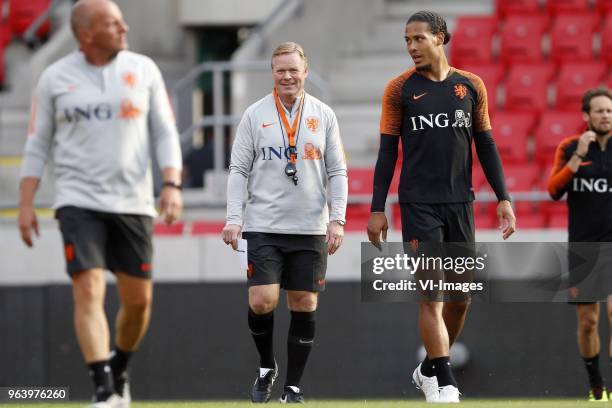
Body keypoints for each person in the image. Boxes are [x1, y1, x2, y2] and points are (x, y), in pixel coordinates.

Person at [17, 0, 183, 406]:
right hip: (78, 200)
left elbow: (164, 131)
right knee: (88, 289)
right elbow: (37, 142)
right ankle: (104, 389)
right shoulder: (54, 77)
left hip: (134, 202)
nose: (125, 27)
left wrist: (171, 183)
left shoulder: (144, 70)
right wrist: (26, 203)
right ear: (87, 33)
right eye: (113, 23)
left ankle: (120, 367)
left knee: (138, 302)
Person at [366, 11, 516, 403]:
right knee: (430, 292)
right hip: (418, 205)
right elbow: (386, 153)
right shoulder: (398, 89)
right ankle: (445, 381)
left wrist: (504, 197)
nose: (412, 47)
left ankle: (428, 367)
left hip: (460, 203)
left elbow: (485, 144)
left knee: (461, 296)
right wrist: (377, 207)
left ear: (440, 37)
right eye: (407, 40)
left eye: (419, 38)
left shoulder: (471, 86)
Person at [222, 41, 347, 404]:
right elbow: (238, 169)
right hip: (264, 225)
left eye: (294, 69)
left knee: (304, 302)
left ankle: (292, 388)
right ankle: (266, 366)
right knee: (262, 300)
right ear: (272, 73)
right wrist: (234, 218)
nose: (288, 76)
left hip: (310, 227)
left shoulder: (324, 115)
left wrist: (337, 219)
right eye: (280, 70)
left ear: (305, 70)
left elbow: (337, 170)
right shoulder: (254, 114)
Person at [548, 87, 612, 402]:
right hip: (584, 249)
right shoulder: (571, 147)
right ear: (586, 116)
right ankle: (597, 385)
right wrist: (578, 157)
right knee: (589, 322)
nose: (606, 116)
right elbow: (553, 190)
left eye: (609, 111)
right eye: (599, 111)